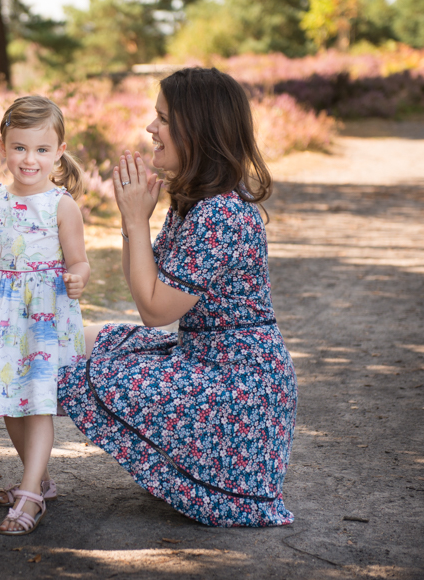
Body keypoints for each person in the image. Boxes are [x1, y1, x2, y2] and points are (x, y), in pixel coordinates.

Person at [57, 68, 297, 527]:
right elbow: (141, 283)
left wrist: (132, 220)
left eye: (163, 119)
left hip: (238, 389)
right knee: (75, 339)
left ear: (197, 132)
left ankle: (219, 474)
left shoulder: (221, 214)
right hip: (204, 358)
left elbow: (153, 311)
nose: (151, 128)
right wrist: (139, 222)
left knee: (85, 372)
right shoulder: (198, 202)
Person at [0, 96, 90, 535]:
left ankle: (29, 495)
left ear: (59, 151)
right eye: (20, 147)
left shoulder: (61, 206)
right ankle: (38, 479)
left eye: (42, 150)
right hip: (2, 316)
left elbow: (78, 261)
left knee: (38, 405)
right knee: (10, 403)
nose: (30, 159)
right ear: (4, 147)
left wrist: (77, 277)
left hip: (42, 318)